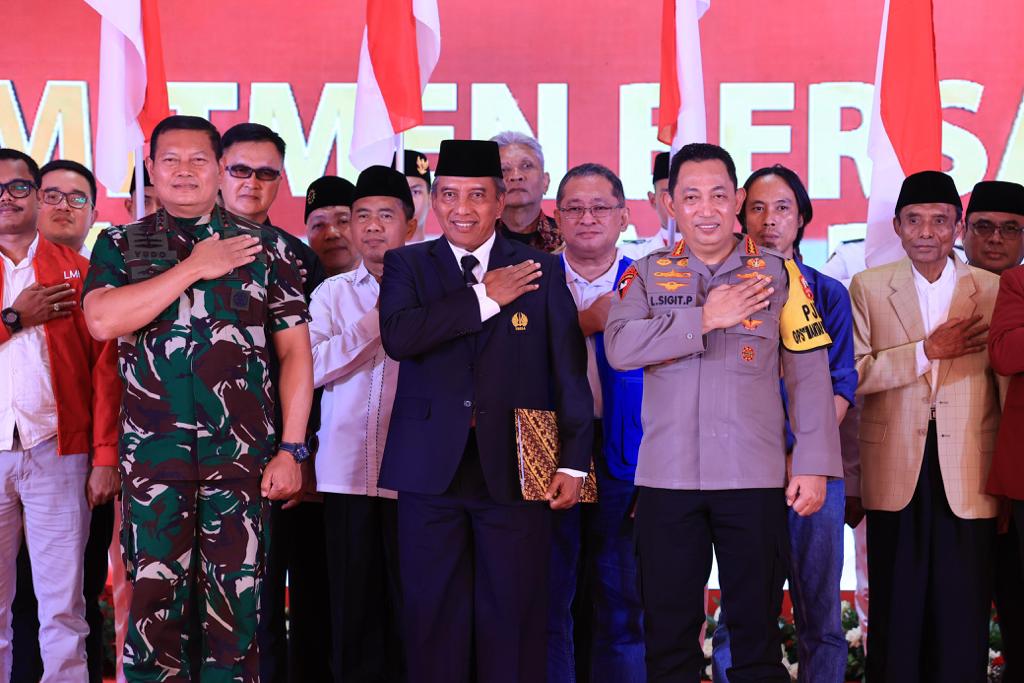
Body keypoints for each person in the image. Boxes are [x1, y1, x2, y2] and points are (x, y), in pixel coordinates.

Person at [81, 115, 313, 682]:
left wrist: (292, 448)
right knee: (153, 619)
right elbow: (102, 319)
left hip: (242, 466)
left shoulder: (267, 250)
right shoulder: (121, 244)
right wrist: (192, 268)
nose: (184, 172)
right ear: (152, 170)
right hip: (154, 467)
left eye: (198, 161)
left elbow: (294, 357)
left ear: (217, 168)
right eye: (171, 161)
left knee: (236, 620)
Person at [604, 143, 842, 683]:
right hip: (667, 483)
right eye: (691, 197)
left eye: (718, 195)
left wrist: (813, 463)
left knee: (756, 643)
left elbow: (809, 374)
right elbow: (620, 347)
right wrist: (704, 318)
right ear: (670, 204)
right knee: (667, 644)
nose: (705, 209)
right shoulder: (642, 274)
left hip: (752, 482)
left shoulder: (781, 275)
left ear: (737, 200)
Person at [378, 138, 593, 682]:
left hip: (520, 469)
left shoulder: (540, 268)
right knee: (432, 619)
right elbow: (401, 337)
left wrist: (573, 463)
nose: (461, 208)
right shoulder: (408, 265)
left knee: (515, 619)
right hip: (429, 469)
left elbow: (567, 373)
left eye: (477, 195)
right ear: (433, 201)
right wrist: (483, 297)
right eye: (448, 195)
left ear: (500, 202)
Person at [850, 170, 1001, 683]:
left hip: (970, 470)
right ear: (897, 226)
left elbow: (1004, 392)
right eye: (914, 220)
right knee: (897, 605)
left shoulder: (992, 289)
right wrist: (924, 353)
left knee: (963, 607)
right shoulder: (869, 287)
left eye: (939, 221)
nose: (926, 232)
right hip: (895, 468)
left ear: (958, 228)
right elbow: (854, 374)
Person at [711, 165, 856, 683]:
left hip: (814, 472)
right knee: (741, 614)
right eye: (757, 208)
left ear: (801, 219)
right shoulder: (720, 291)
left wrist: (805, 455)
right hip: (741, 473)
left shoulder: (827, 293)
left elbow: (841, 385)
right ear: (738, 217)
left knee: (820, 616)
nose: (769, 220)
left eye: (782, 209)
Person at [216, 121, 332, 683]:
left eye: (267, 174)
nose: (252, 183)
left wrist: (297, 448)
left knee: (263, 598)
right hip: (182, 454)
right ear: (218, 171)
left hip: (271, 453)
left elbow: (303, 363)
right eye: (241, 169)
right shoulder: (172, 247)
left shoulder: (296, 258)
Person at [0, 147, 120, 682]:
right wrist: (12, 317)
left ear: (36, 194)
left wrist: (104, 456)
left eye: (19, 186)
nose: (6, 196)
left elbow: (105, 372)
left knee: (64, 612)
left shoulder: (80, 271)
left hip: (59, 453)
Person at [309, 165, 416, 682]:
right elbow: (312, 367)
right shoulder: (331, 295)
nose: (373, 227)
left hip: (415, 476)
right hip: (344, 473)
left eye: (386, 215)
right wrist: (380, 319)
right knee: (352, 612)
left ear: (411, 225)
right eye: (362, 216)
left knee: (411, 610)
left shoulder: (436, 287)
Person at [548, 162, 645, 683]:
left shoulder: (653, 281)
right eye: (575, 208)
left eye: (600, 207)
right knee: (548, 600)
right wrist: (583, 320)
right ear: (556, 216)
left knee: (623, 603)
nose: (588, 218)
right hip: (548, 451)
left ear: (624, 217)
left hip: (627, 455)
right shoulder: (530, 280)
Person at [967, 180, 1024, 683]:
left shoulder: (1018, 287)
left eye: (1010, 229)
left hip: (1012, 480)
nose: (996, 240)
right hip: (954, 479)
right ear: (964, 231)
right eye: (984, 226)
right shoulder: (939, 288)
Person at [491, 130, 564, 253]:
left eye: (526, 166)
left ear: (545, 181)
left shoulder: (567, 241)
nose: (516, 176)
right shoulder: (477, 241)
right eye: (504, 169)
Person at [35, 159, 98, 255]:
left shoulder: (110, 269)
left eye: (76, 199)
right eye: (52, 196)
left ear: (92, 218)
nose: (63, 206)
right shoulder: (6, 268)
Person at [621, 151, 673, 258]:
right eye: (667, 195)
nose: (674, 202)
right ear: (653, 200)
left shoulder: (715, 255)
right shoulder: (630, 256)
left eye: (688, 195)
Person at [305, 175, 359, 276]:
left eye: (343, 221)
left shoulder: (390, 285)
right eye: (319, 225)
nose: (331, 233)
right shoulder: (294, 288)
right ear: (307, 234)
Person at [395, 148, 432, 243]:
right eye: (398, 191)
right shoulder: (368, 256)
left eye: (415, 192)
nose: (407, 200)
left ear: (430, 198)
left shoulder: (445, 255)